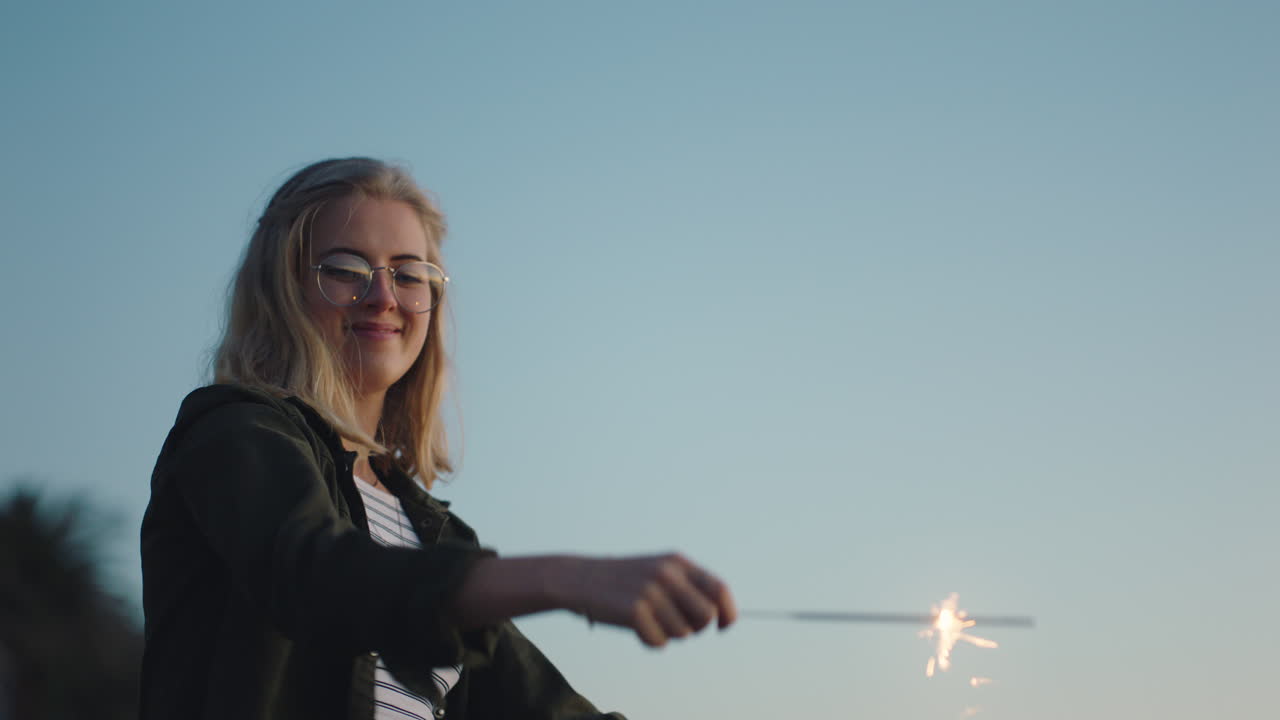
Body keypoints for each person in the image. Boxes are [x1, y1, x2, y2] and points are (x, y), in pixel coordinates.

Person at [139, 157, 737, 720]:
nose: (384, 297)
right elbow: (320, 580)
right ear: (282, 288)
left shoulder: (431, 533)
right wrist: (569, 579)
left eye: (409, 273)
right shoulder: (233, 432)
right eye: (346, 269)